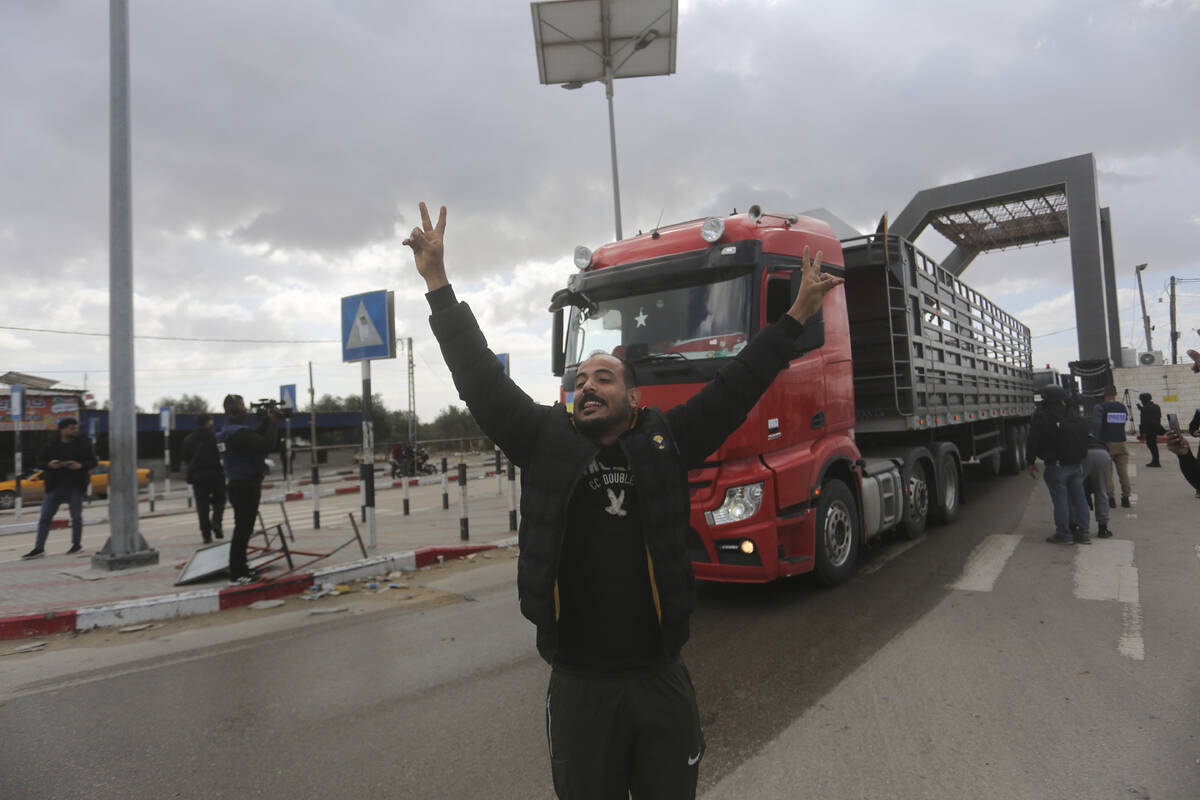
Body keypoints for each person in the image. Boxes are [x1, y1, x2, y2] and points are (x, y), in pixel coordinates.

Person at [403, 202, 841, 799]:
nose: (587, 387)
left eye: (603, 378)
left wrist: (793, 318)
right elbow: (477, 375)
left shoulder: (665, 440)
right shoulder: (542, 440)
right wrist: (437, 283)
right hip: (579, 684)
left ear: (634, 400)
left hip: (658, 678)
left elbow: (737, 384)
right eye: (580, 380)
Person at [217, 395, 278, 585]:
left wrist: (265, 422)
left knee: (243, 529)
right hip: (245, 486)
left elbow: (253, 440)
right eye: (242, 407)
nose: (245, 410)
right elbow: (267, 444)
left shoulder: (229, 432)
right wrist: (273, 423)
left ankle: (241, 569)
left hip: (238, 484)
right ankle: (237, 573)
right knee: (242, 531)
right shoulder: (239, 433)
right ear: (233, 412)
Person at [22, 417, 98, 559]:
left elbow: (94, 462)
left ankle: (76, 545)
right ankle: (39, 548)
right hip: (54, 486)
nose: (75, 430)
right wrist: (50, 465)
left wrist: (80, 465)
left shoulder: (84, 444)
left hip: (76, 486)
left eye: (76, 428)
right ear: (62, 429)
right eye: (72, 428)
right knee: (45, 517)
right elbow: (40, 462)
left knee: (76, 517)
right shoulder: (50, 445)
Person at [1026, 386, 1091, 545]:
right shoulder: (1071, 412)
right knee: (1079, 498)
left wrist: (1030, 461)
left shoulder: (1041, 416)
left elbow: (1033, 440)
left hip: (1056, 465)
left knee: (1060, 500)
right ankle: (1084, 533)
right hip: (1076, 463)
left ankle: (1064, 534)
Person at [182, 412, 225, 544]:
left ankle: (206, 535)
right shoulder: (215, 437)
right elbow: (223, 453)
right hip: (215, 473)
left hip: (197, 476)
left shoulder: (189, 439)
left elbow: (185, 458)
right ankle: (216, 522)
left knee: (202, 505)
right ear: (209, 422)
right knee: (220, 498)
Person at [1092, 385, 1133, 508]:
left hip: (1106, 444)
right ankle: (1126, 498)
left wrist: (1095, 439)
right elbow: (1123, 421)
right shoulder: (1122, 407)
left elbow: (1097, 425)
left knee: (1107, 473)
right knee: (1123, 472)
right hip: (1121, 442)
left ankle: (1111, 499)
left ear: (1104, 394)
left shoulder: (1100, 407)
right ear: (1115, 394)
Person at [1082, 433, 1114, 538]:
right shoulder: (1095, 431)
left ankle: (1074, 526)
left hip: (1084, 454)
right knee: (1101, 491)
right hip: (1102, 454)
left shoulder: (1070, 428)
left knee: (1076, 491)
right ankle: (1103, 528)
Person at [1137, 392, 1163, 468]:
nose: (1141, 402)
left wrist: (1142, 434)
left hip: (1149, 430)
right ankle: (1156, 461)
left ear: (1144, 400)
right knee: (1153, 445)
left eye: (1142, 400)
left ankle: (1156, 462)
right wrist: (1141, 409)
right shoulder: (1156, 406)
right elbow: (1156, 416)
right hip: (1156, 428)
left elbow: (1143, 422)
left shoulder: (1145, 409)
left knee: (1151, 445)